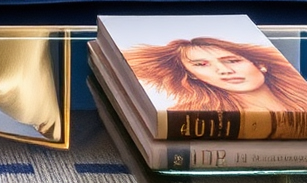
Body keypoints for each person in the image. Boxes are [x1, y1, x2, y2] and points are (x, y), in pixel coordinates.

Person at [124, 36, 307, 139]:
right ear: (193, 76)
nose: (224, 70)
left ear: (260, 64)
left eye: (232, 61)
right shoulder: (196, 119)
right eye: (201, 65)